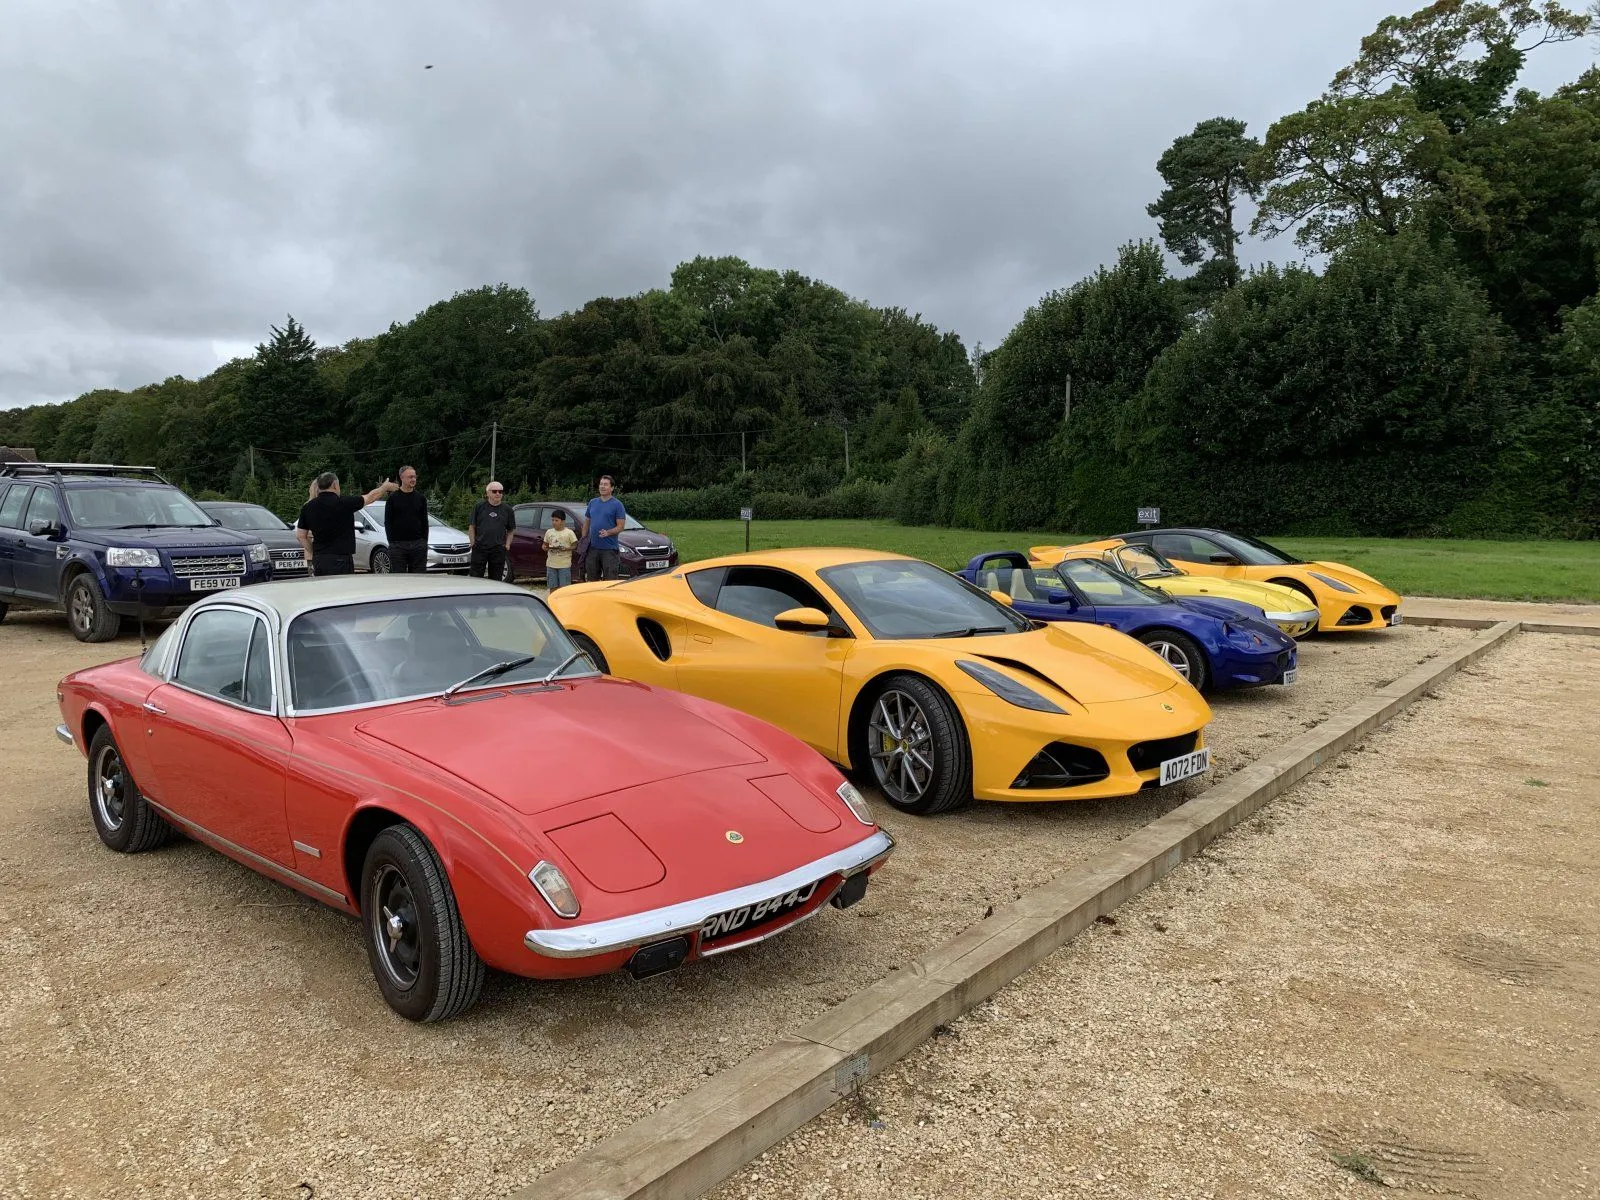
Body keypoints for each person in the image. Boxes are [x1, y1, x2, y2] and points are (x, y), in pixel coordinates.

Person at [297, 472, 396, 577]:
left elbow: (300, 536)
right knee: (343, 586)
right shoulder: (345, 502)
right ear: (335, 485)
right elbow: (370, 497)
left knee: (323, 586)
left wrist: (314, 552)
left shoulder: (308, 507)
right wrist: (384, 488)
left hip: (320, 560)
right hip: (341, 559)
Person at [383, 464, 430, 573]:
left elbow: (425, 522)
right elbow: (388, 522)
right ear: (402, 478)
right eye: (410, 477)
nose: (413, 479)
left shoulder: (421, 498)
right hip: (398, 546)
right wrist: (392, 542)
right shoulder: (392, 499)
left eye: (414, 477)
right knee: (399, 579)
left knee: (418, 578)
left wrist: (424, 542)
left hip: (418, 546)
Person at [467, 481, 516, 580]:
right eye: (494, 491)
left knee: (496, 579)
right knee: (475, 577)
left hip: (498, 548)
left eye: (500, 491)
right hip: (480, 547)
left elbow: (511, 530)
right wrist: (473, 543)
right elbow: (472, 526)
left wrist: (507, 545)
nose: (498, 494)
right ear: (488, 493)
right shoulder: (479, 507)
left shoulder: (508, 510)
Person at [583, 474, 627, 581]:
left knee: (610, 581)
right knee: (592, 580)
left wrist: (608, 532)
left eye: (606, 484)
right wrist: (583, 538)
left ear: (612, 488)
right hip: (593, 548)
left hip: (609, 550)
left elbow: (621, 527)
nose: (602, 486)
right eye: (601, 484)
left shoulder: (617, 505)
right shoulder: (592, 502)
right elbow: (587, 522)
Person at [542, 509, 577, 591]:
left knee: (564, 589)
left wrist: (566, 548)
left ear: (563, 521)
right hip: (551, 564)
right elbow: (545, 544)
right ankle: (552, 599)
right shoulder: (549, 532)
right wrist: (544, 547)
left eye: (556, 520)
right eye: (552, 520)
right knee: (552, 587)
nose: (554, 522)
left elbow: (575, 545)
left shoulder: (569, 532)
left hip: (564, 565)